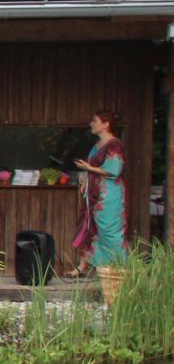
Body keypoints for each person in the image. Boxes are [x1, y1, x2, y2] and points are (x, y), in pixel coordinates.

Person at [69, 109, 127, 277]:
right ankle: (83, 266)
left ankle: (117, 267)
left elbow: (114, 169)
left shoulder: (115, 145)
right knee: (90, 228)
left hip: (109, 194)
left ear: (105, 124)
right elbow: (90, 167)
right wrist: (86, 180)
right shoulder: (97, 145)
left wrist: (89, 168)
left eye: (95, 121)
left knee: (109, 229)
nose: (91, 124)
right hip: (93, 193)